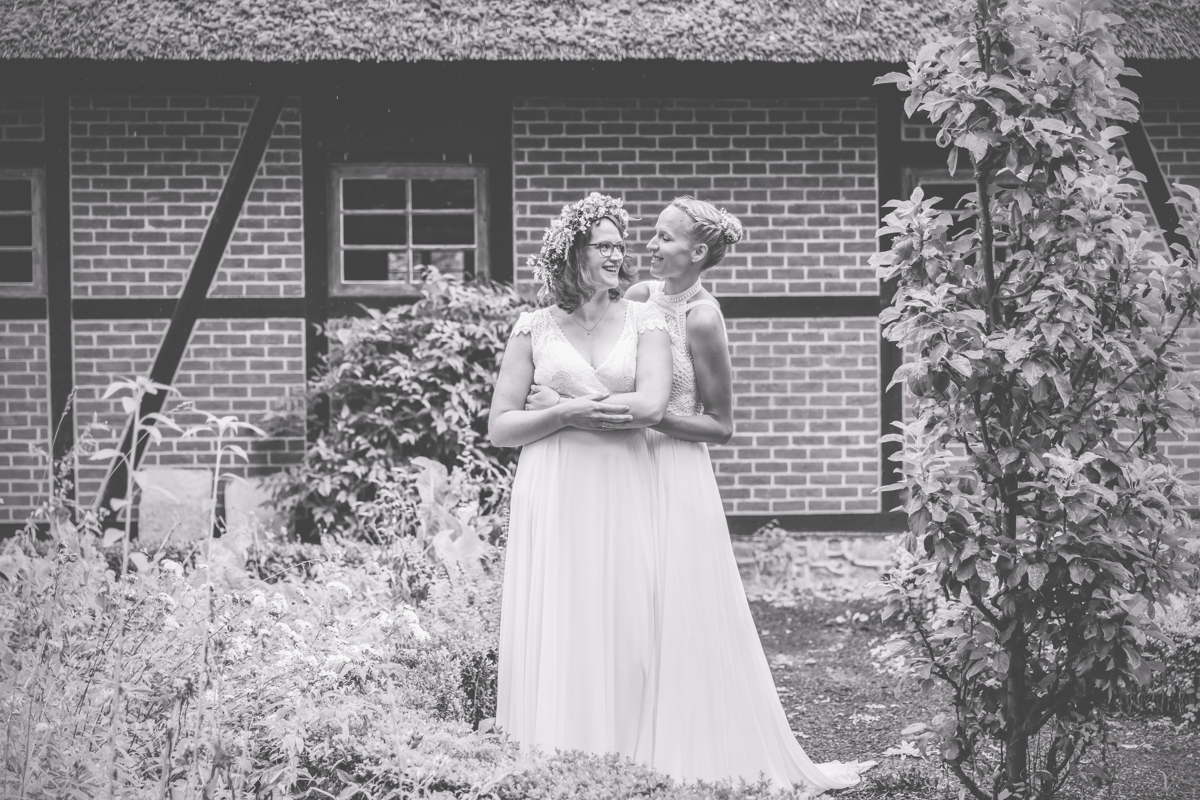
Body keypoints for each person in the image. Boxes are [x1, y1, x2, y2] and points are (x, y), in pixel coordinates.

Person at [529, 196, 874, 792]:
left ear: (698, 252)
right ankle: (629, 743)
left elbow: (721, 424)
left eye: (665, 238)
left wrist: (643, 417)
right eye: (655, 236)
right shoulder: (636, 301)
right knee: (636, 612)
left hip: (678, 470)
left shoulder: (704, 318)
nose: (652, 247)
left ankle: (693, 749)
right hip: (627, 464)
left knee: (681, 611)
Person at [488, 192, 672, 760]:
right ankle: (558, 750)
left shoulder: (647, 319)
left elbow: (650, 408)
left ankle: (628, 749)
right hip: (555, 485)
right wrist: (565, 415)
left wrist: (565, 401)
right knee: (564, 609)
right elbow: (501, 427)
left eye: (621, 245)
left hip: (622, 480)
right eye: (604, 246)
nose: (617, 255)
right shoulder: (533, 327)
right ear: (574, 253)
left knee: (626, 608)